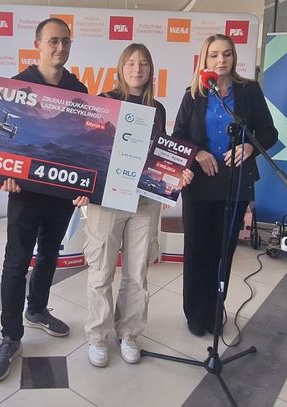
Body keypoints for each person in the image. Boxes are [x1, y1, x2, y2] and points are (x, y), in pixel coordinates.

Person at [0, 18, 89, 382]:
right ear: (38, 45)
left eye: (66, 42)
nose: (60, 47)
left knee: (49, 255)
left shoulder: (79, 90)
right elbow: (0, 140)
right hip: (25, 193)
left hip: (61, 192)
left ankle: (37, 309)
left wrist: (86, 184)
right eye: (53, 41)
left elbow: (83, 143)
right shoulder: (17, 86)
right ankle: (10, 336)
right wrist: (3, 174)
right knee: (16, 262)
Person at [84, 44, 194, 367]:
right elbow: (91, 148)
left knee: (137, 272)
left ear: (150, 70)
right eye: (131, 63)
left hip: (144, 201)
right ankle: (97, 336)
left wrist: (176, 174)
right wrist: (84, 187)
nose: (137, 69)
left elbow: (159, 155)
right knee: (101, 271)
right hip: (108, 199)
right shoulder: (105, 101)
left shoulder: (156, 109)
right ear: (121, 68)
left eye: (143, 63)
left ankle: (129, 333)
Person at [172, 34, 278, 337]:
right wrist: (197, 152)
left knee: (224, 251)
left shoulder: (249, 91)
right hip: (199, 184)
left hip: (236, 182)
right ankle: (195, 313)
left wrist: (250, 147)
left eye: (227, 54)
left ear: (234, 58)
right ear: (204, 59)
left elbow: (269, 133)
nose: (221, 60)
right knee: (197, 250)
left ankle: (215, 310)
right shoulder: (193, 94)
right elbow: (178, 136)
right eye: (214, 55)